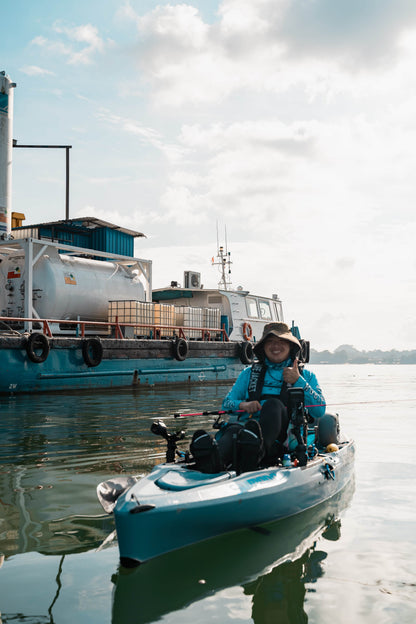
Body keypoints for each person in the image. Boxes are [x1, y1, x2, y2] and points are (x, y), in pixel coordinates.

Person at [190, 322, 325, 473]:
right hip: (246, 433)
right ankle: (213, 460)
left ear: (290, 346)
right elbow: (226, 404)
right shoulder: (248, 373)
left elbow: (319, 411)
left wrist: (298, 380)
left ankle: (257, 452)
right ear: (263, 347)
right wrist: (243, 405)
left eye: (281, 342)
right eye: (270, 342)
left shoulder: (307, 376)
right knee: (233, 430)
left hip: (282, 439)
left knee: (273, 405)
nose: (275, 346)